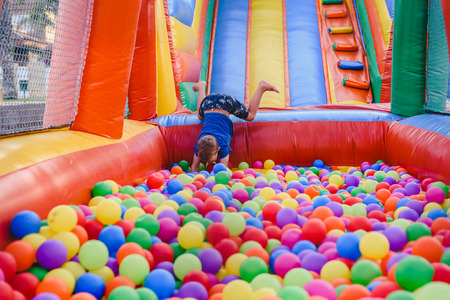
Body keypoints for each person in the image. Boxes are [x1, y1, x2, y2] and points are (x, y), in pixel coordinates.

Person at [190, 80, 279, 172]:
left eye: (212, 160)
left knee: (251, 116)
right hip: (208, 100)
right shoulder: (200, 146)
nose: (211, 163)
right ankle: (201, 88)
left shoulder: (223, 145)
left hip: (226, 102)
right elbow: (195, 167)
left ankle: (262, 87)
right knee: (200, 116)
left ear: (218, 148)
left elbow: (221, 171)